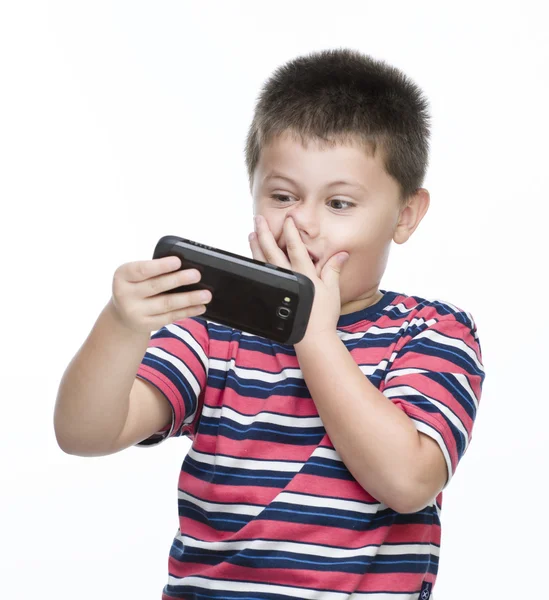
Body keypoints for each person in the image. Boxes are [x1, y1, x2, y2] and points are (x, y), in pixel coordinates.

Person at [55, 48, 484, 599]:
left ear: (404, 216)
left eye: (339, 203)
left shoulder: (431, 332)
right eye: (283, 196)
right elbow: (83, 434)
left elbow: (407, 482)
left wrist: (314, 336)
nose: (302, 223)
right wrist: (121, 324)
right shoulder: (215, 332)